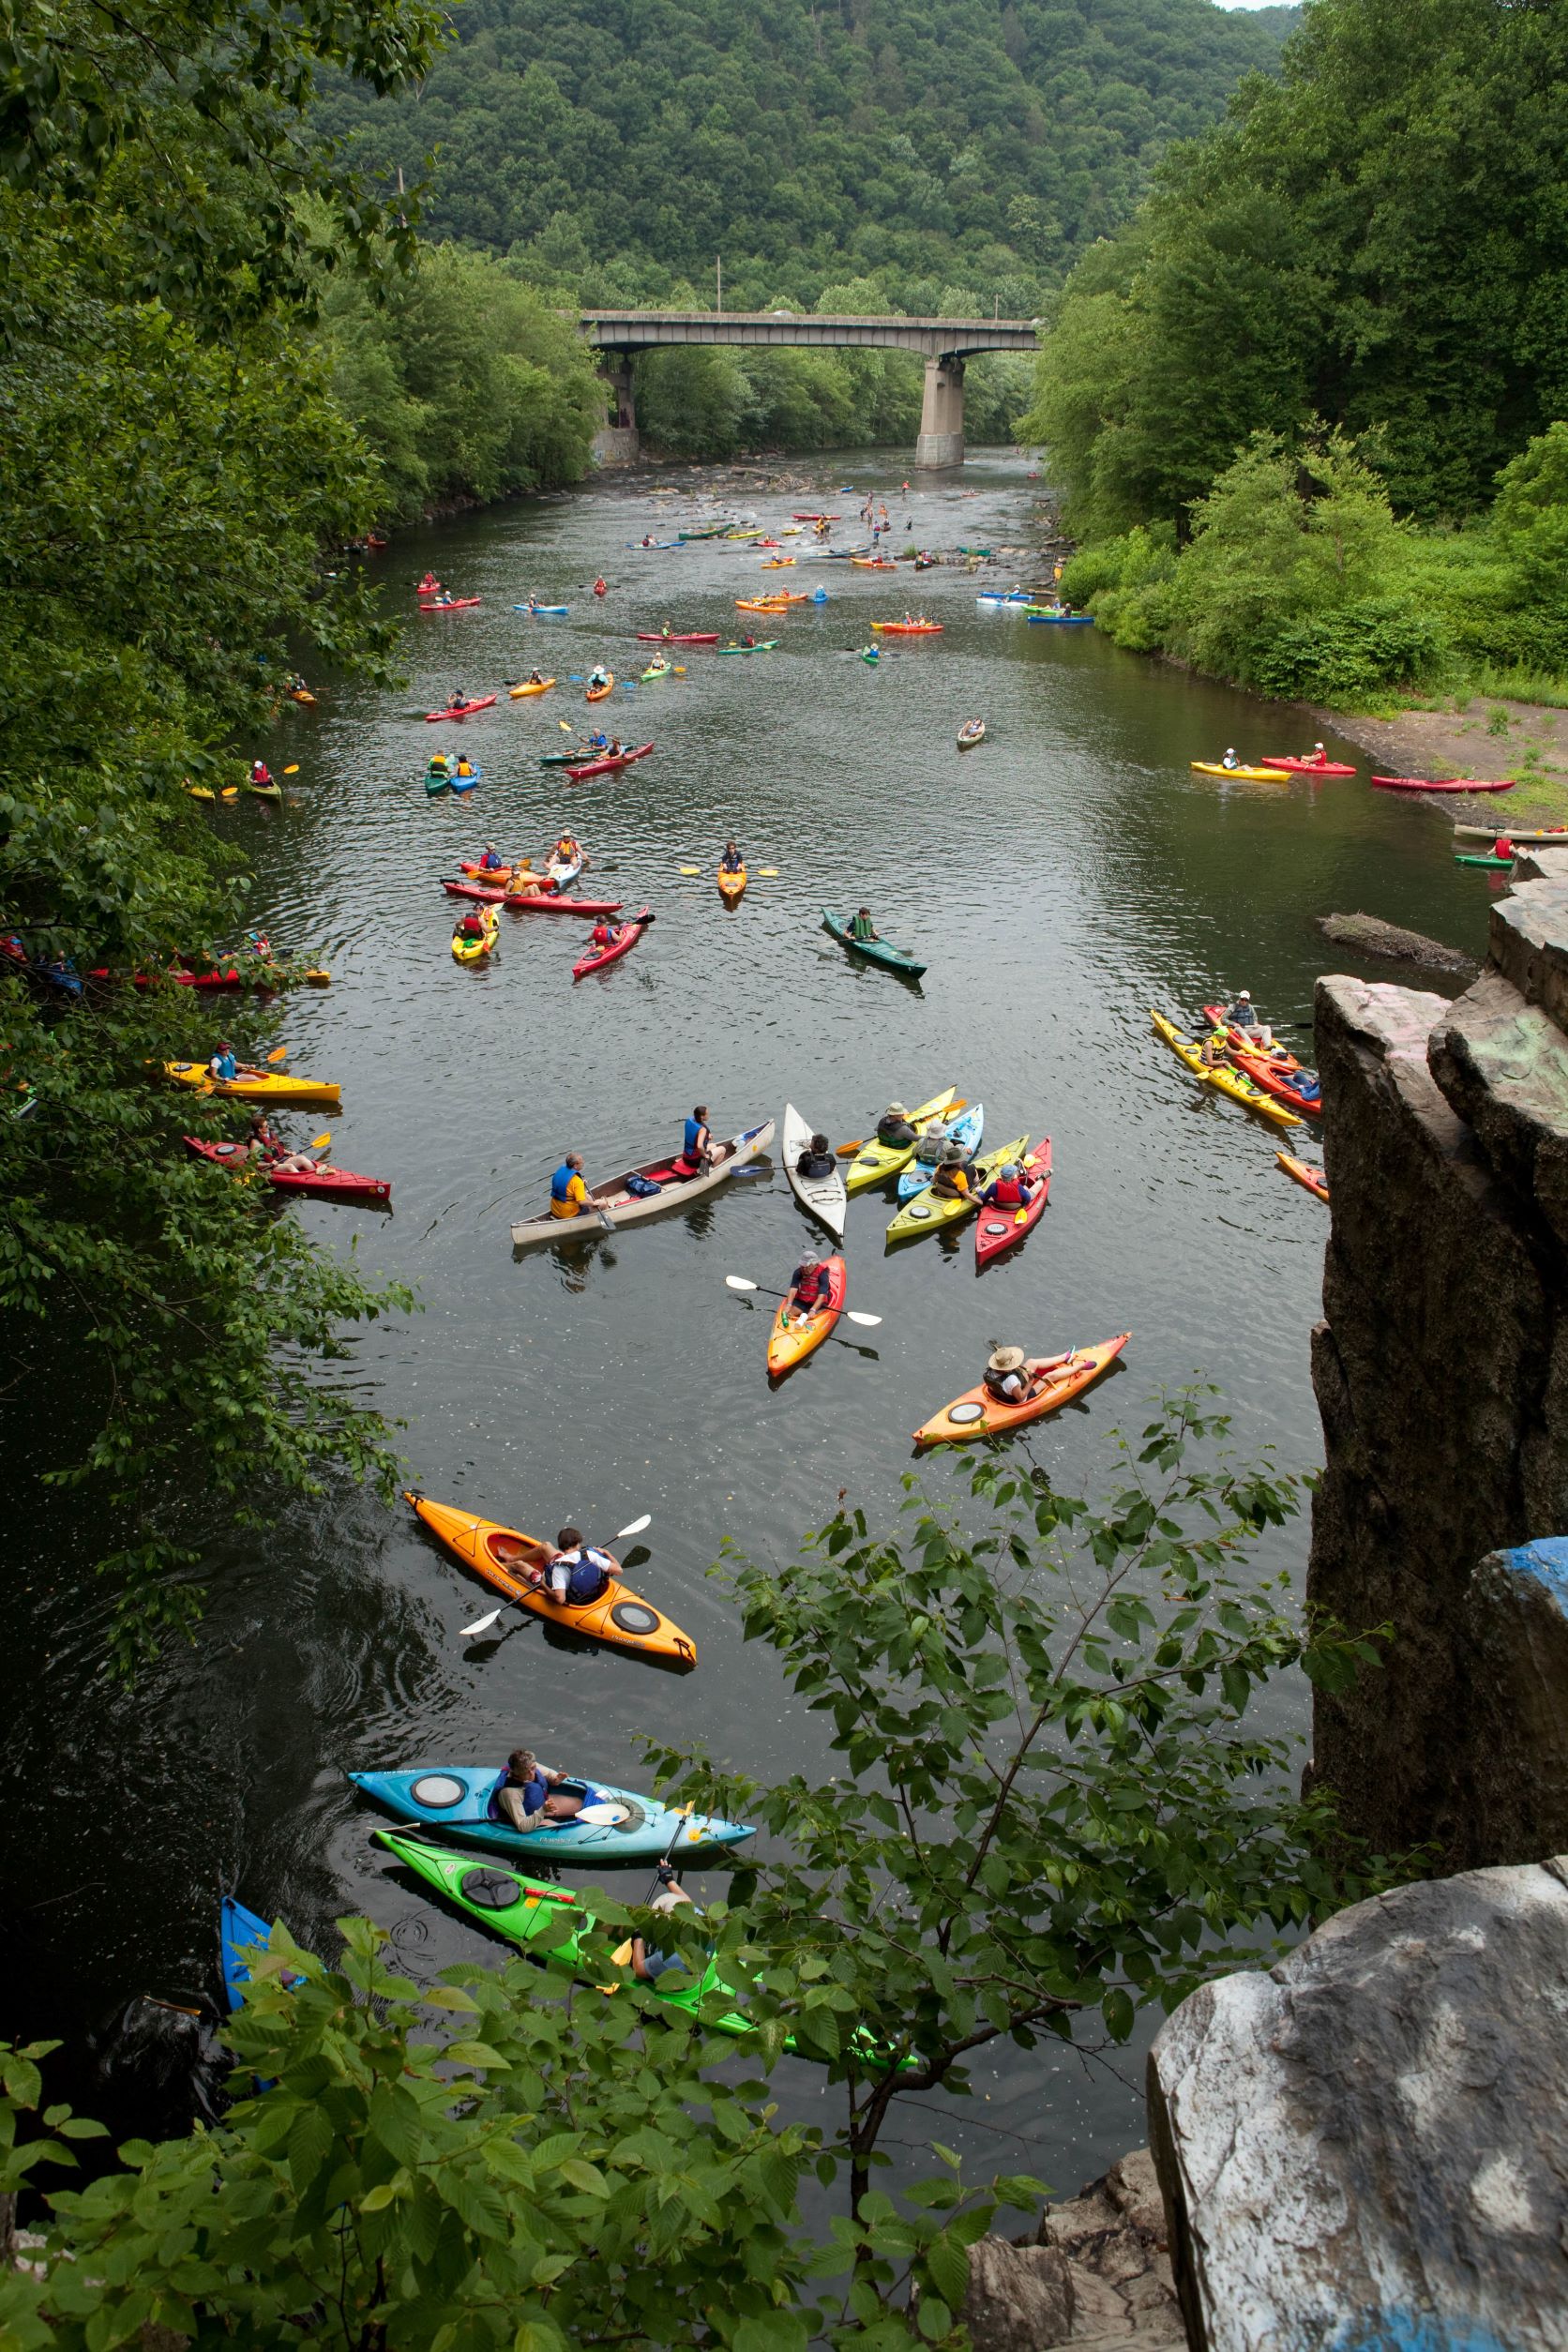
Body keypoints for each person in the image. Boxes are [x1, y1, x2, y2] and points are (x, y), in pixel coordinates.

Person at [629, 1869, 700, 1985]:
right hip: (697, 1959)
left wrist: (638, 1936)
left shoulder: (668, 1957)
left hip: (677, 1974)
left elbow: (638, 1970)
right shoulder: (694, 1915)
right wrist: (668, 1879)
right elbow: (685, 1900)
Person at [492, 1749, 582, 1831]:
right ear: (517, 1774)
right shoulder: (511, 1794)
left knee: (579, 1804)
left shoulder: (531, 1766)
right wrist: (543, 1810)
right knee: (562, 1831)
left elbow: (550, 1774)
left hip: (541, 1805)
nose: (532, 1773)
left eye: (533, 1768)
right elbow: (523, 1826)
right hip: (527, 1817)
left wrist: (556, 1779)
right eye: (527, 1772)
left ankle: (554, 1815)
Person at [542, 1527, 621, 1606]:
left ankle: (534, 1576)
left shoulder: (559, 1567)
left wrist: (543, 1585)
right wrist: (607, 1553)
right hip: (595, 1593)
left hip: (575, 1602)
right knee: (545, 1547)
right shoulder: (589, 1554)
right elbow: (619, 1570)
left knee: (544, 1550)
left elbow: (560, 1599)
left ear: (561, 1547)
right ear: (577, 1543)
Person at [782, 1255, 834, 1319]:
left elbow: (822, 1296)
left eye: (808, 1266)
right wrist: (789, 1304)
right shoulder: (798, 1272)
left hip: (819, 1302)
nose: (804, 1269)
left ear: (816, 1265)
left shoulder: (823, 1274)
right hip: (802, 1301)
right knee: (788, 1314)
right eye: (803, 1266)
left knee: (811, 1318)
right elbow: (793, 1289)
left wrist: (813, 1310)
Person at [673, 1106, 714, 1178]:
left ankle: (705, 1169)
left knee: (714, 1146)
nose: (709, 1115)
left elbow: (694, 1134)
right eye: (707, 1114)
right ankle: (707, 1173)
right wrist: (705, 1155)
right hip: (695, 1161)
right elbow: (699, 1145)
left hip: (686, 1157)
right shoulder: (702, 1130)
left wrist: (707, 1136)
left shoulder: (689, 1120)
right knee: (722, 1150)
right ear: (701, 1117)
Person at [549, 1152, 591, 1220]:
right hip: (567, 1213)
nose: (583, 1162)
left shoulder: (560, 1171)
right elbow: (581, 1202)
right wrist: (594, 1203)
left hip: (555, 1209)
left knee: (584, 1196)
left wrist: (581, 1185)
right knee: (587, 1207)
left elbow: (566, 1187)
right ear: (575, 1166)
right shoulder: (577, 1181)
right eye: (581, 1162)